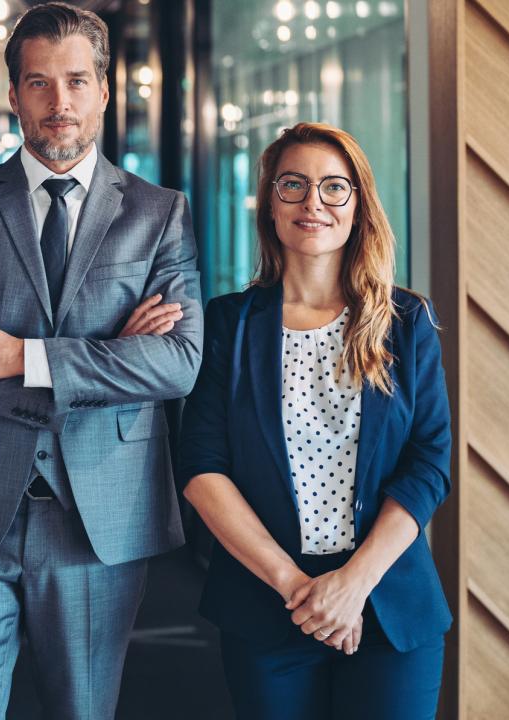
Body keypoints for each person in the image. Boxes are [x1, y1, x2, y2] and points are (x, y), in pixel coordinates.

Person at [0, 3, 203, 717]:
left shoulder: (159, 213)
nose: (59, 101)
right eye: (39, 82)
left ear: (104, 91)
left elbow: (177, 363)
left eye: (76, 81)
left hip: (99, 520)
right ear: (14, 96)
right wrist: (113, 359)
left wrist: (20, 356)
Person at [179, 122, 451, 719]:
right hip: (267, 603)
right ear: (270, 203)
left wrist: (352, 584)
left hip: (388, 603)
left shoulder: (405, 322)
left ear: (358, 204)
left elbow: (429, 463)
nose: (313, 203)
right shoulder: (228, 323)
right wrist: (298, 589)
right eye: (294, 185)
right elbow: (201, 466)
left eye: (334, 187)